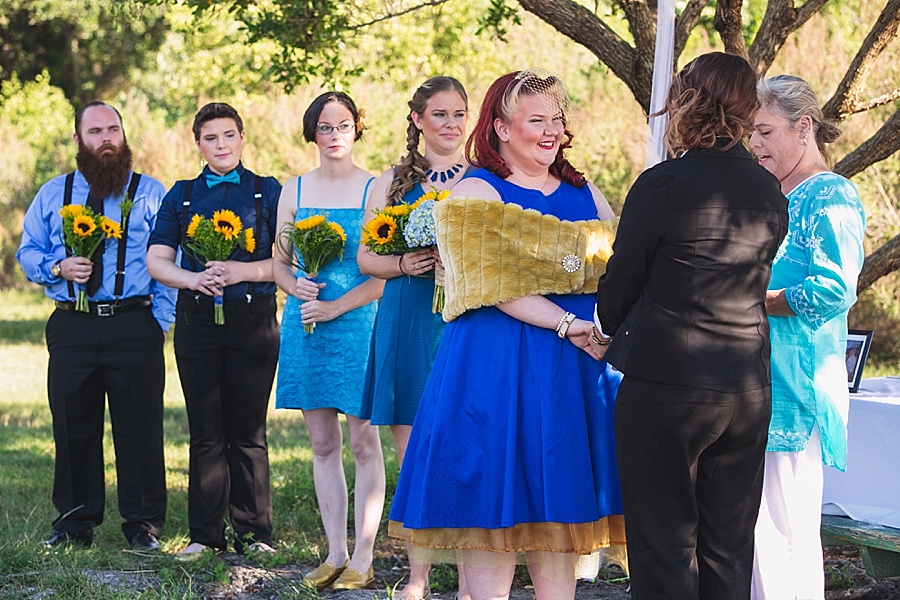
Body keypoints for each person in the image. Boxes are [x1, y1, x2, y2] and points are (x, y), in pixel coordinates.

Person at [389, 70, 626, 600]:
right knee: (490, 513)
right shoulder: (475, 190)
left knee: (556, 513)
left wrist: (605, 325)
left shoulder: (583, 190)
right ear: (499, 127)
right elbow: (490, 284)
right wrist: (568, 321)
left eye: (556, 119)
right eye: (535, 120)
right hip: (492, 366)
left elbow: (619, 265)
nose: (550, 131)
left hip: (571, 368)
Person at [591, 52, 789, 600]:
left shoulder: (662, 184)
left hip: (667, 387)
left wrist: (601, 329)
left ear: (687, 100)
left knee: (664, 545)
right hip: (746, 389)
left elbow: (622, 280)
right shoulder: (768, 189)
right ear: (747, 109)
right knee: (728, 546)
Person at [16, 101, 175, 550]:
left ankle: (143, 525)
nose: (106, 139)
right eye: (95, 132)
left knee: (140, 428)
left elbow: (170, 260)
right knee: (72, 425)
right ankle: (72, 523)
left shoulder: (151, 193)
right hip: (73, 327)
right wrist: (57, 267)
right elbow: (27, 251)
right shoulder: (53, 193)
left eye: (113, 130)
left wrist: (159, 321)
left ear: (123, 136)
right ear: (78, 141)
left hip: (135, 325)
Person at [749, 75, 866, 600]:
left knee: (783, 531)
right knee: (756, 533)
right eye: (751, 132)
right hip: (757, 378)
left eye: (765, 131)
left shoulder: (831, 194)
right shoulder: (771, 191)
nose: (755, 144)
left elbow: (833, 288)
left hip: (796, 385)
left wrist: (753, 300)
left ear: (804, 127)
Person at [147, 102, 281, 558]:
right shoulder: (181, 195)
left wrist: (242, 271)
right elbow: (157, 260)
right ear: (198, 143)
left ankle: (253, 534)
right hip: (197, 323)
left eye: (228, 135)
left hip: (253, 322)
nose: (221, 145)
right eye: (210, 138)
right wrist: (194, 278)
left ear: (242, 138)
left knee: (248, 431)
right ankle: (205, 535)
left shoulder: (268, 191)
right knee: (205, 431)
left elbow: (285, 262)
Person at [357, 76, 470, 600]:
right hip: (406, 316)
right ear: (419, 121)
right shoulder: (392, 182)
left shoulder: (484, 179)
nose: (451, 125)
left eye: (459, 114)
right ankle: (418, 577)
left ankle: (474, 578)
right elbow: (364, 258)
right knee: (416, 457)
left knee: (470, 453)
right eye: (440, 115)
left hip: (461, 321)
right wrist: (403, 261)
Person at [273, 92, 385, 591]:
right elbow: (280, 260)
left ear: (357, 129)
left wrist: (335, 306)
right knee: (322, 443)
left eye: (343, 125)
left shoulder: (374, 189)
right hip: (306, 327)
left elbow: (383, 277)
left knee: (363, 440)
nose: (334, 134)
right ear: (312, 132)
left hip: (358, 324)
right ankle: (334, 553)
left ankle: (364, 556)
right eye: (324, 126)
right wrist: (292, 285)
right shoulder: (293, 189)